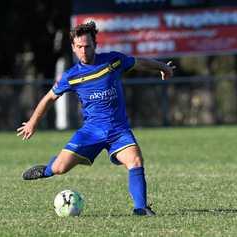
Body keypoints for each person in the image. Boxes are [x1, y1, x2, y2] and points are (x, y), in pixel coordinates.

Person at [17, 21, 175, 216]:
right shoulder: (71, 76)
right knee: (60, 168)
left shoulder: (113, 61)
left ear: (96, 45)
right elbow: (50, 97)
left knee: (135, 161)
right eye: (80, 47)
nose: (84, 50)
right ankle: (47, 169)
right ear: (73, 48)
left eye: (88, 46)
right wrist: (33, 122)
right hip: (90, 132)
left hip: (118, 131)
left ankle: (141, 208)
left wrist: (162, 67)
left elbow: (139, 62)